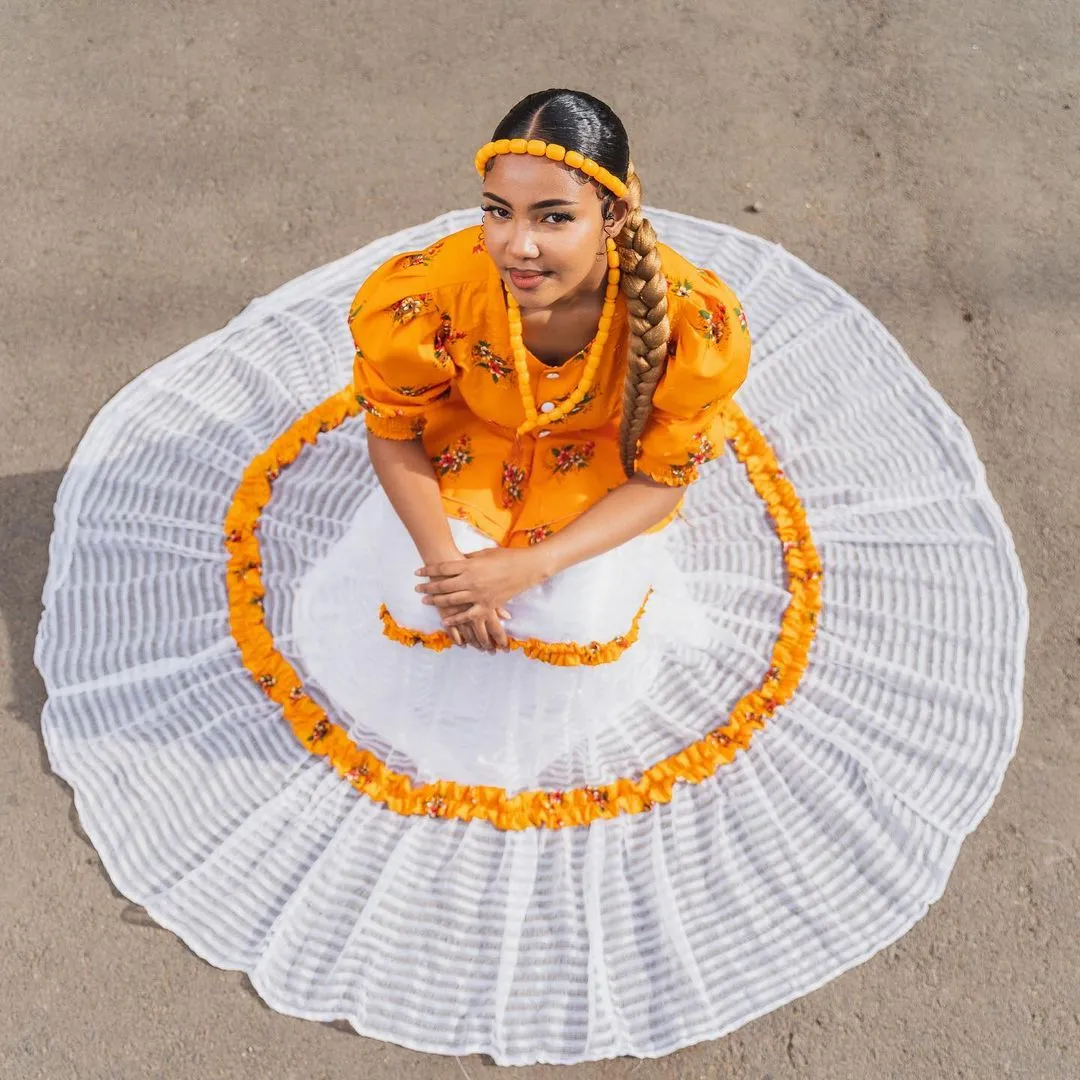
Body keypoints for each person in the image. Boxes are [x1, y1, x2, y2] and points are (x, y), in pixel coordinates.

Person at [34, 86, 1027, 1066]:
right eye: (499, 214)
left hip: (589, 488)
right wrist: (451, 567)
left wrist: (528, 565)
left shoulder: (685, 321)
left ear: (617, 210)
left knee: (580, 612)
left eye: (554, 217)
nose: (521, 247)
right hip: (464, 462)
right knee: (398, 598)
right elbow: (396, 438)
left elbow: (658, 482)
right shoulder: (433, 293)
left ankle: (530, 645)